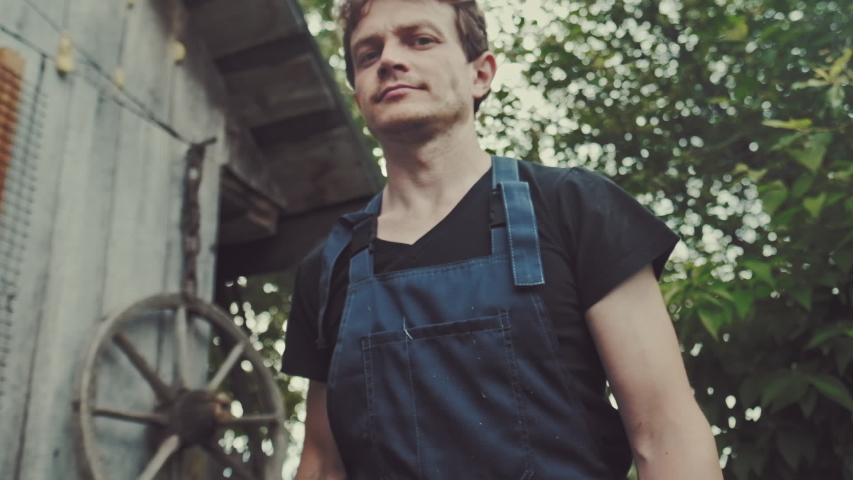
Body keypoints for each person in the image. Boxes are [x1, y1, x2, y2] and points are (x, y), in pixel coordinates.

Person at [281, 0, 723, 478]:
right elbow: (325, 464)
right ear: (358, 93)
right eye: (367, 54)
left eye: (420, 39)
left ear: (481, 74)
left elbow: (665, 430)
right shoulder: (328, 268)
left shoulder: (574, 208)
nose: (388, 59)